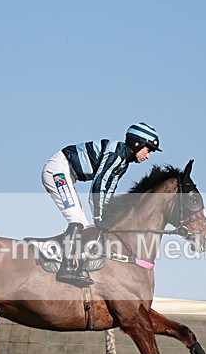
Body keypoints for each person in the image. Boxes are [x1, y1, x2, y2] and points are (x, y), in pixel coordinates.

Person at [41, 122, 161, 286]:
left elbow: (109, 189)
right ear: (137, 143)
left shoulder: (123, 160)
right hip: (57, 171)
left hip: (68, 173)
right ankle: (66, 268)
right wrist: (99, 217)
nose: (148, 156)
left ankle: (71, 263)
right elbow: (99, 185)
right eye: (148, 150)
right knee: (77, 221)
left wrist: (106, 216)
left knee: (82, 224)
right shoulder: (117, 155)